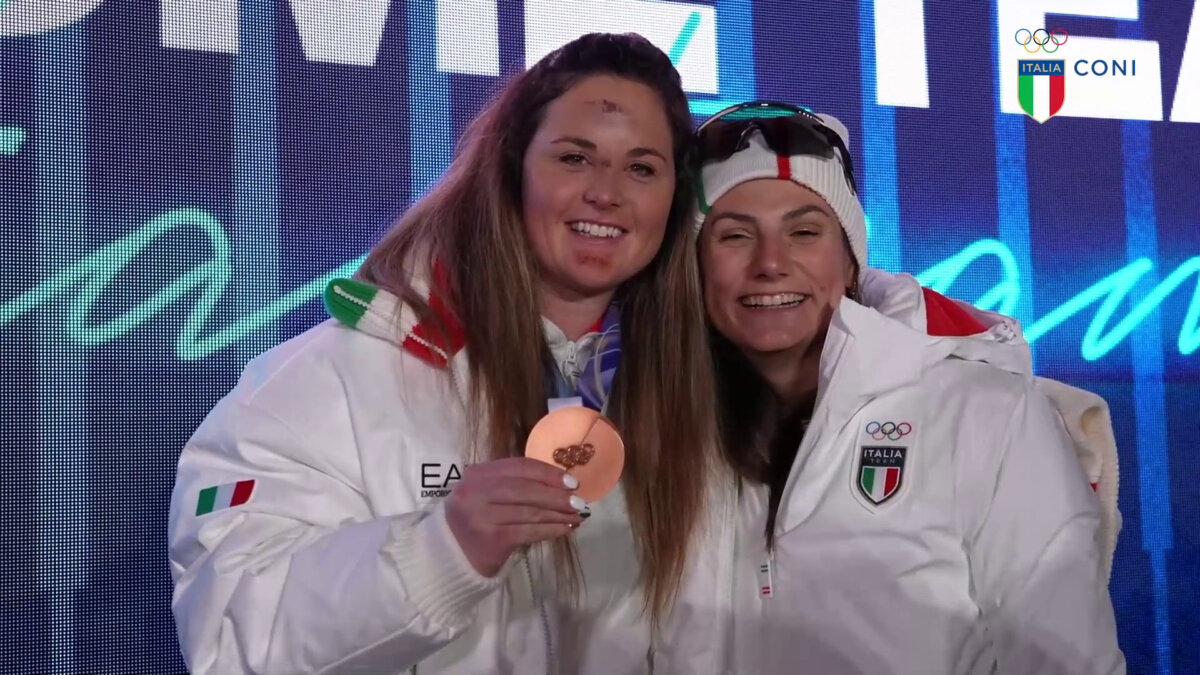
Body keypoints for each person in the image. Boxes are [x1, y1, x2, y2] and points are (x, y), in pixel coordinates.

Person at [167, 33, 722, 674]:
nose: (607, 192)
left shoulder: (703, 394)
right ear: (511, 169)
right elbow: (231, 640)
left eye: (642, 168)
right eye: (574, 158)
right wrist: (441, 554)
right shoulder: (333, 377)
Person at [687, 101, 1126, 674]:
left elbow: (1069, 662)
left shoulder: (983, 411)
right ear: (693, 266)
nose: (771, 263)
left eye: (804, 232)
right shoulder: (652, 425)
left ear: (850, 262)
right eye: (735, 235)